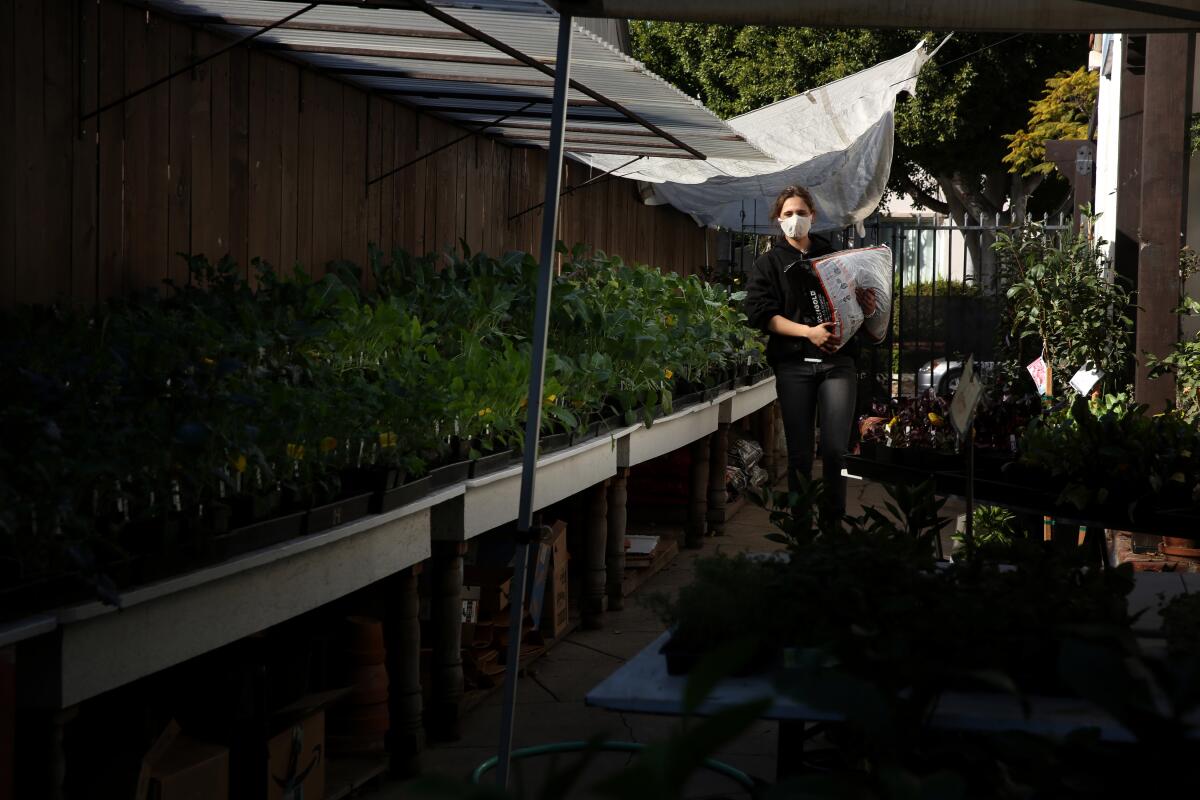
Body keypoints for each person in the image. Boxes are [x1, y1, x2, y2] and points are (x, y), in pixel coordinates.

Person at [743, 185, 877, 517]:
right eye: (788, 214)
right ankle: (801, 531)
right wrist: (808, 333)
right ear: (778, 219)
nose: (795, 219)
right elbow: (762, 315)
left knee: (835, 451)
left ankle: (832, 529)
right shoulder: (768, 264)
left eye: (801, 212)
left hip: (837, 364)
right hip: (793, 366)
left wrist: (867, 307)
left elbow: (856, 310)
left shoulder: (835, 259)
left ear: (813, 216)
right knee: (800, 455)